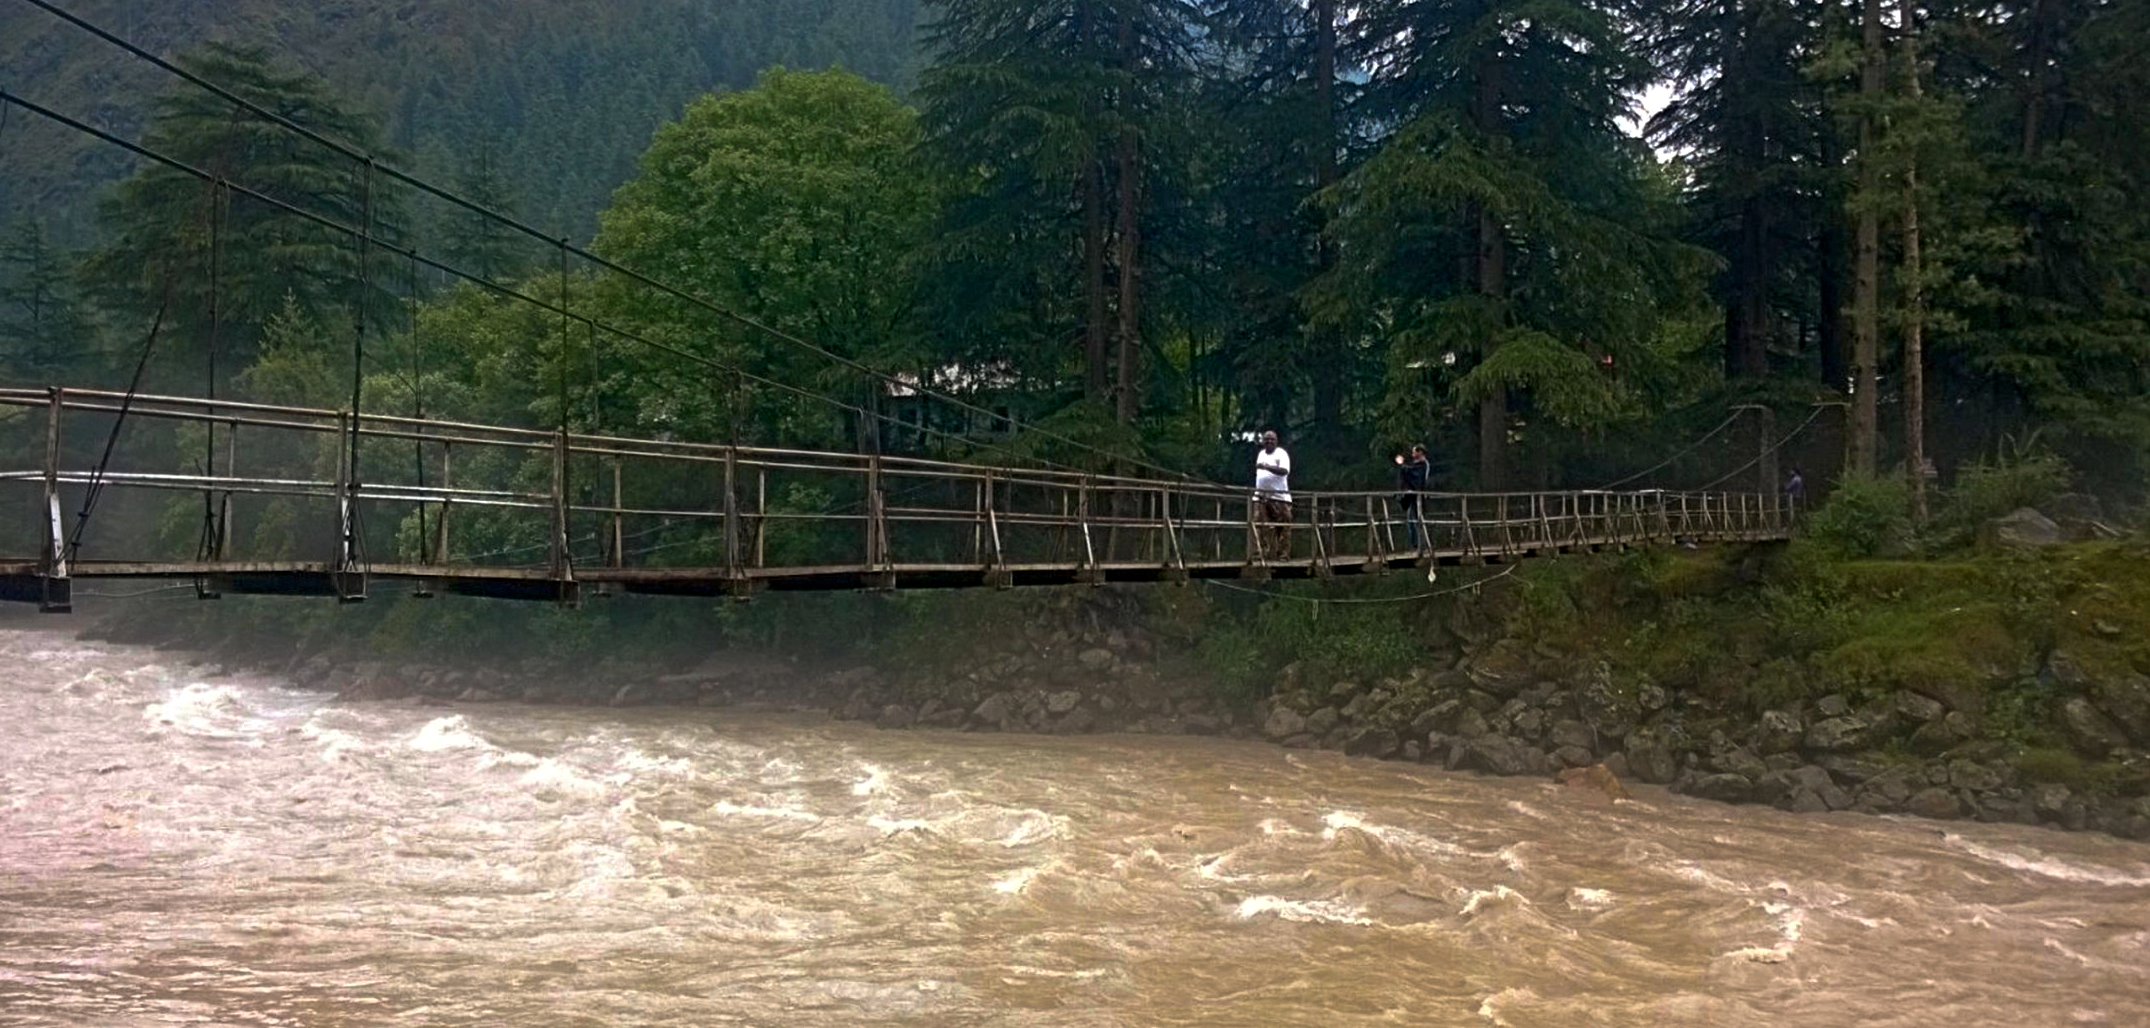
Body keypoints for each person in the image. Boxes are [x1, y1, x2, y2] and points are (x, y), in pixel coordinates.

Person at [1253, 429, 1292, 558]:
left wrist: (1267, 467)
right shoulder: (1261, 454)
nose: (1269, 441)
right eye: (1266, 439)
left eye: (1272, 439)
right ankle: (1260, 553)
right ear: (1263, 441)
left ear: (1276, 441)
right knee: (1258, 524)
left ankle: (1283, 554)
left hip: (1280, 497)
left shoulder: (1281, 454)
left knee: (1283, 524)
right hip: (1261, 496)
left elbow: (1284, 471)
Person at [1394, 444, 1429, 552]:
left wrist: (1403, 465)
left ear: (1420, 452)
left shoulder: (1423, 465)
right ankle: (1416, 545)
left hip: (1417, 497)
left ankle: (1420, 546)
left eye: (1415, 452)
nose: (1413, 454)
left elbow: (1415, 475)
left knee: (1416, 521)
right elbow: (1409, 471)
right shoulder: (1417, 465)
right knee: (1411, 521)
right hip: (1413, 498)